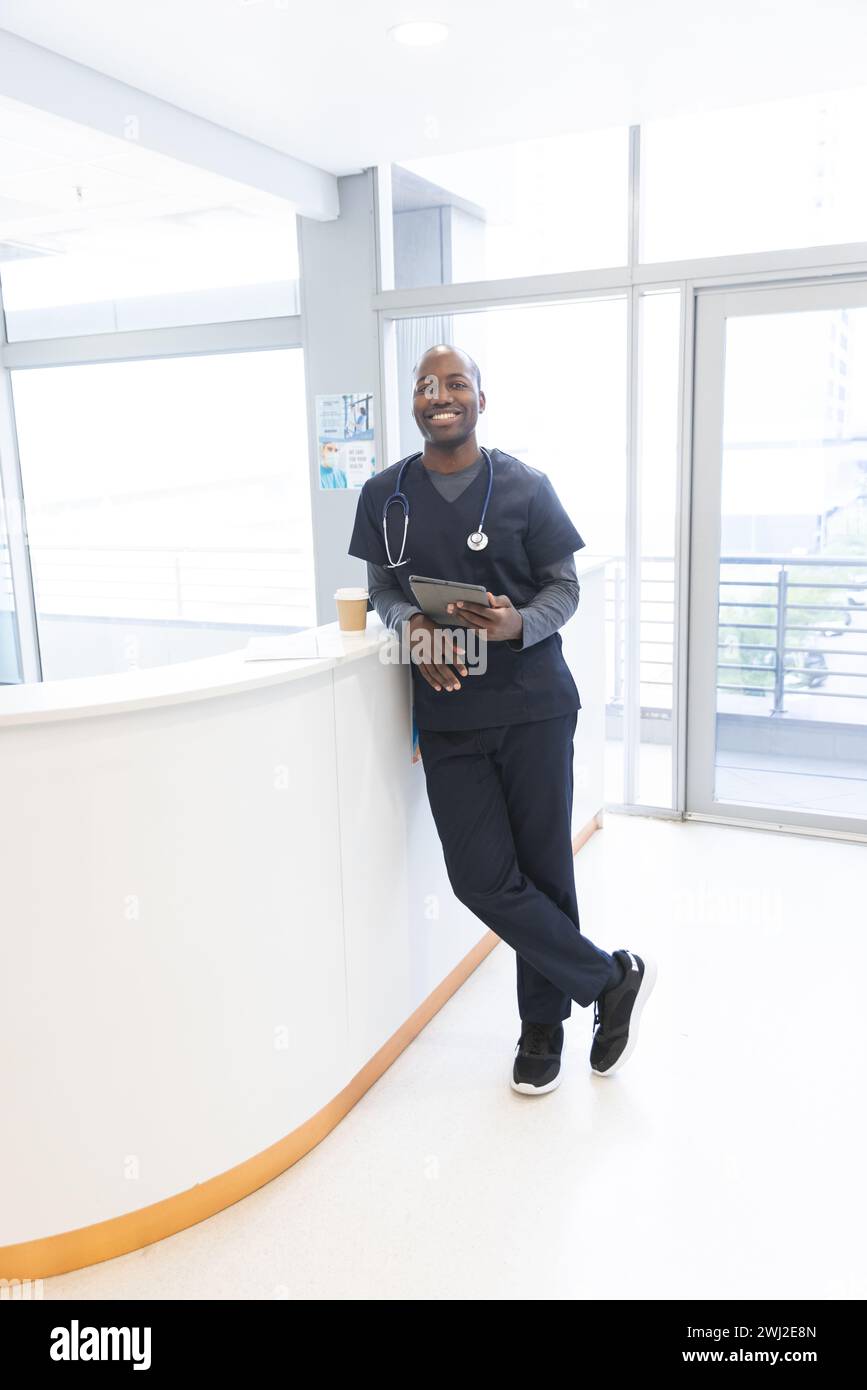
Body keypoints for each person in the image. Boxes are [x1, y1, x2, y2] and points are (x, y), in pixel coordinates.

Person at [347, 344, 656, 1094]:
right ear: (415, 404)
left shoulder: (525, 487)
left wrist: (519, 623)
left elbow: (563, 588)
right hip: (448, 714)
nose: (439, 395)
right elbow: (382, 589)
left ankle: (540, 1031)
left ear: (481, 400)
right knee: (481, 879)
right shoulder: (385, 494)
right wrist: (406, 627)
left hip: (533, 706)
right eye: (426, 386)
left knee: (544, 870)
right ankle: (609, 978)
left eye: (455, 384)